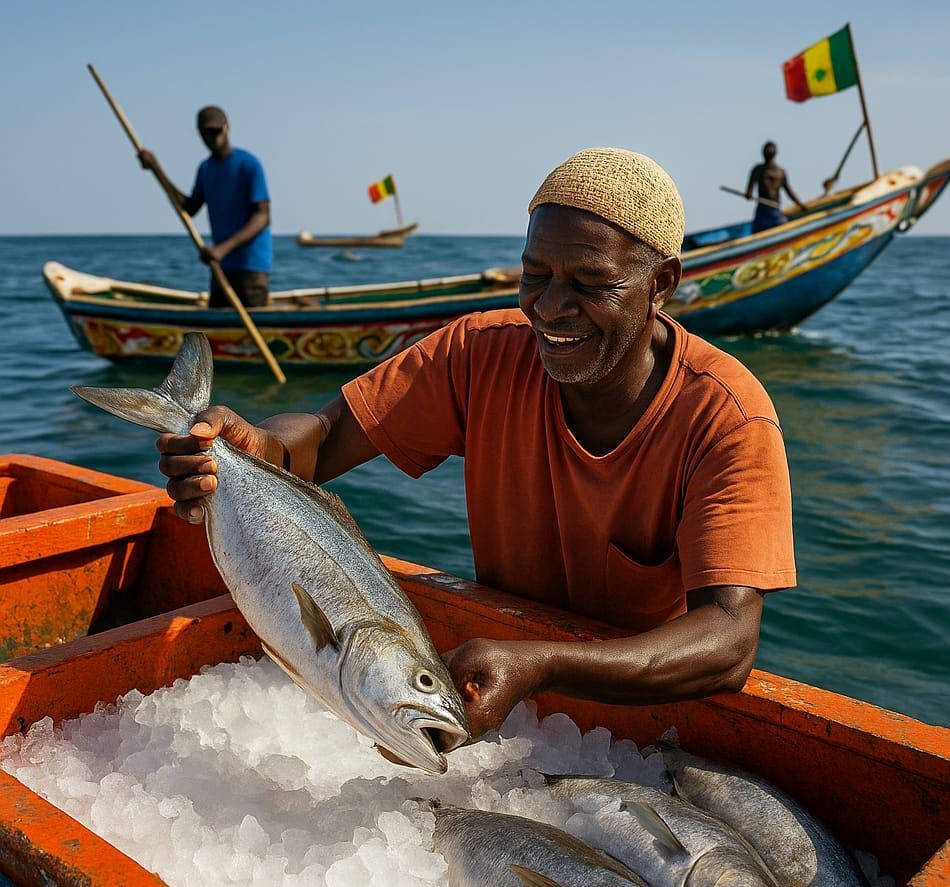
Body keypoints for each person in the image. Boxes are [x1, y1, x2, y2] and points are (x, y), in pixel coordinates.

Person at [157, 148, 796, 742]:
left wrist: (542, 664)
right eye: (535, 274)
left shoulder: (728, 418)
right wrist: (253, 448)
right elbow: (322, 441)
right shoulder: (476, 354)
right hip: (495, 695)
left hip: (631, 715)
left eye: (590, 285)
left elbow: (728, 641)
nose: (548, 307)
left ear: (662, 284)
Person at [138, 106, 271, 308]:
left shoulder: (249, 164)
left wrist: (223, 248)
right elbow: (189, 208)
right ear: (199, 133)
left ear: (227, 128)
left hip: (250, 266)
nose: (214, 137)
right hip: (221, 266)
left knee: (252, 328)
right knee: (219, 329)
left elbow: (262, 217)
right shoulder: (206, 169)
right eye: (208, 132)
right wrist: (156, 169)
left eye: (217, 131)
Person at [745, 142, 806, 233]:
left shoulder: (759, 170)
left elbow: (748, 194)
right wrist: (800, 205)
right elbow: (789, 192)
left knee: (759, 230)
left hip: (770, 211)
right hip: (767, 210)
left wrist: (801, 205)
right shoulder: (777, 172)